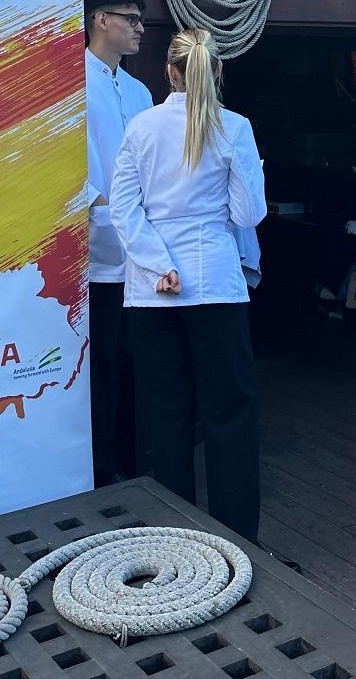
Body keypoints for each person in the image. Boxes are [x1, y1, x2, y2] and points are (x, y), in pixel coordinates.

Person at [110, 28, 266, 541]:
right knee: (229, 413)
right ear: (218, 72)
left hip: (150, 292)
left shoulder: (140, 126)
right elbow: (249, 212)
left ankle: (175, 541)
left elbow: (123, 209)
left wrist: (158, 265)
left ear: (169, 73)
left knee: (166, 414)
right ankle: (238, 537)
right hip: (216, 284)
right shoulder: (234, 127)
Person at [83, 0, 153, 487]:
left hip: (144, 250)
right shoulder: (69, 84)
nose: (139, 29)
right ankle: (100, 466)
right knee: (102, 361)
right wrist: (99, 206)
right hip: (97, 249)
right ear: (101, 19)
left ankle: (136, 460)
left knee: (139, 361)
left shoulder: (140, 90)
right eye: (131, 18)